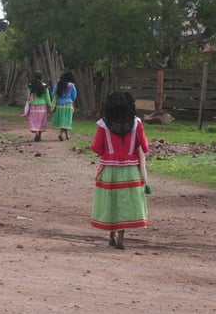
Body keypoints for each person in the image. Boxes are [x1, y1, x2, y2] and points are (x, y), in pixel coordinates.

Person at [90, 91, 150, 250]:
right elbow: (145, 147)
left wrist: (108, 152)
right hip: (130, 170)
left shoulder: (103, 124)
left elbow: (96, 147)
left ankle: (111, 235)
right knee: (124, 202)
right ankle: (121, 238)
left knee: (111, 200)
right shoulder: (136, 123)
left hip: (109, 170)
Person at [25, 71, 53, 142]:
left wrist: (29, 103)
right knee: (41, 121)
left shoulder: (30, 85)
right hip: (42, 106)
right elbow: (47, 97)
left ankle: (36, 133)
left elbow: (28, 96)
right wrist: (50, 105)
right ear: (42, 77)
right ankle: (39, 134)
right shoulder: (45, 86)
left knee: (35, 121)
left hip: (33, 106)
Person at [51, 71, 77, 140]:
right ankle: (61, 134)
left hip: (59, 105)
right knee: (66, 120)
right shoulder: (71, 85)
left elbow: (53, 94)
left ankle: (67, 135)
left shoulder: (58, 84)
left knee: (62, 120)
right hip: (68, 105)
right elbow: (74, 97)